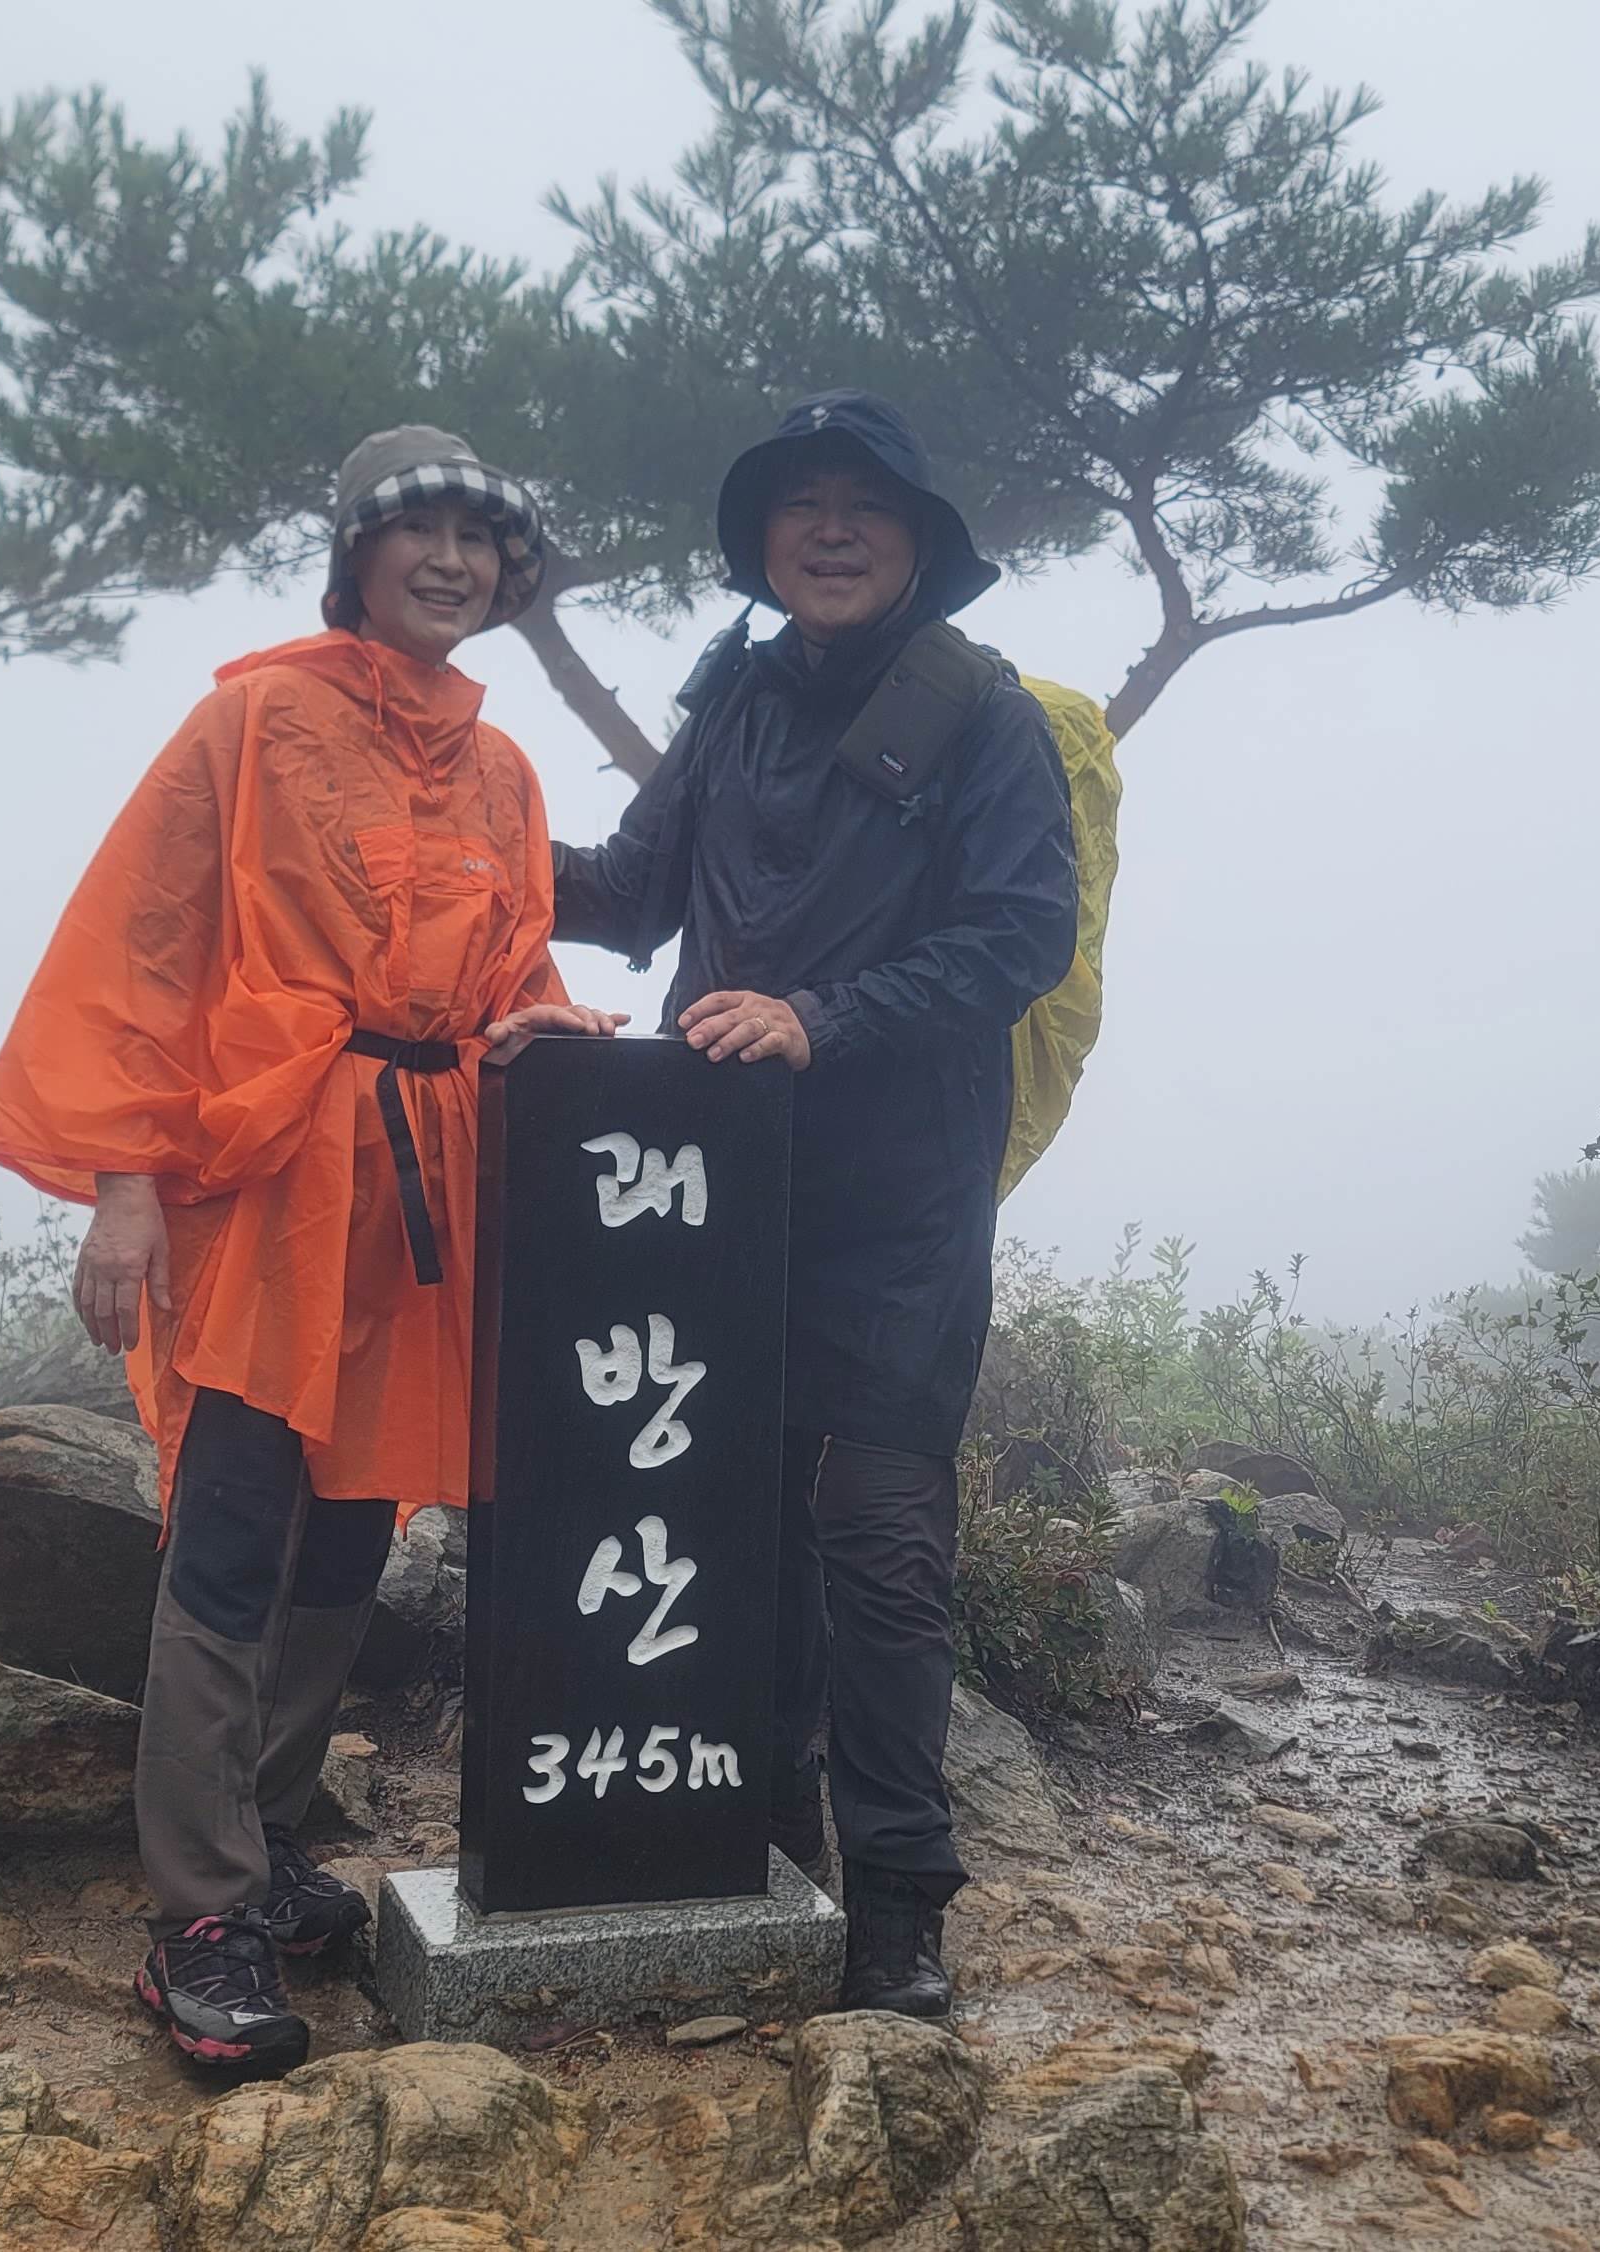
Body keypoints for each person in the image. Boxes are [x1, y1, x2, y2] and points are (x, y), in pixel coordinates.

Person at [0, 427, 620, 2075]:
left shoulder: (503, 769)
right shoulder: (249, 722)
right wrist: (122, 1188)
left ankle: (261, 1846)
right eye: (421, 532)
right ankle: (197, 1916)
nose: (453, 561)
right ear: (358, 556)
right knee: (238, 1531)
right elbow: (140, 951)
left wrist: (546, 1030)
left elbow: (513, 968)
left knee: (348, 1539)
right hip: (264, 1188)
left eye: (481, 538)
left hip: (418, 1199)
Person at [554, 390, 1080, 2018]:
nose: (832, 529)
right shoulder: (735, 698)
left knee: (881, 1538)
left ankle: (900, 1905)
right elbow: (631, 895)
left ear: (919, 541)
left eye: (866, 504)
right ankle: (759, 1836)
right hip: (710, 1183)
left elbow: (1021, 935)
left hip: (901, 1189)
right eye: (802, 505)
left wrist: (819, 1017)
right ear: (764, 543)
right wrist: (449, 849)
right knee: (733, 1515)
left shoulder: (984, 714)